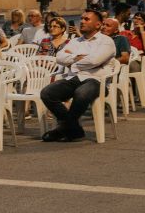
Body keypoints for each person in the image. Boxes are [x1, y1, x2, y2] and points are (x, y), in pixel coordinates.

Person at [40, 10, 116, 142]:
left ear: (98, 25)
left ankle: (63, 128)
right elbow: (59, 57)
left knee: (81, 93)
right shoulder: (75, 41)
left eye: (87, 19)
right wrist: (77, 57)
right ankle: (73, 129)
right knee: (47, 93)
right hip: (75, 78)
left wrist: (72, 62)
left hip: (97, 80)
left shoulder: (106, 41)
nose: (82, 21)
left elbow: (94, 60)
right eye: (81, 18)